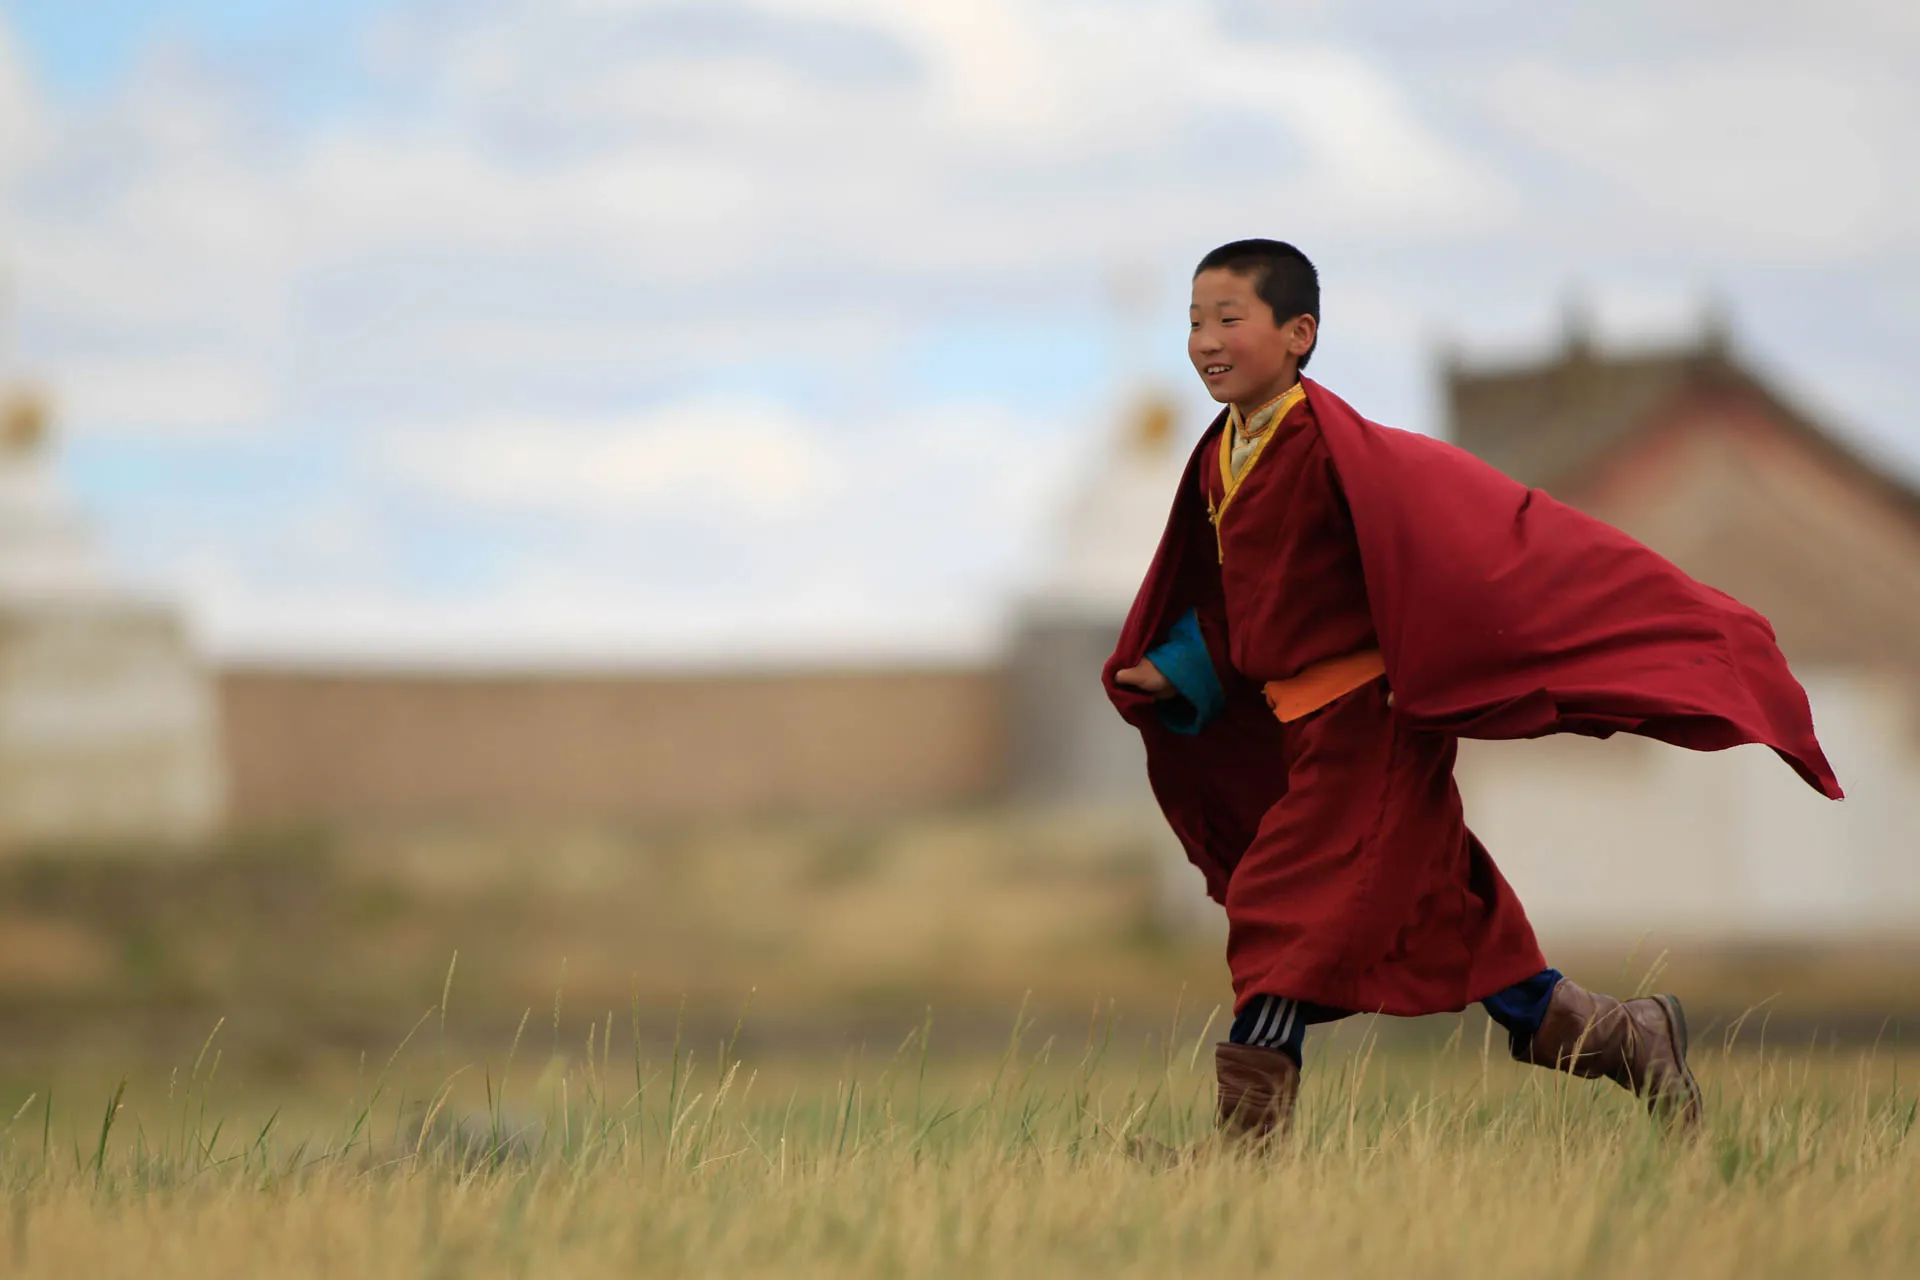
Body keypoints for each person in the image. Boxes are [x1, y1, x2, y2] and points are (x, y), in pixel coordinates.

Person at [1105, 240, 1842, 1143]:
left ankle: (1240, 1154)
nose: (1205, 340)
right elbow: (1238, 606)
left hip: (1368, 732)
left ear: (1299, 334)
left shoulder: (1342, 453)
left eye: (1229, 319)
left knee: (1276, 914)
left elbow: (1462, 542)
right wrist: (1178, 667)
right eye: (1193, 322)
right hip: (1304, 730)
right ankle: (1631, 1034)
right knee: (1459, 932)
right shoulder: (1226, 455)